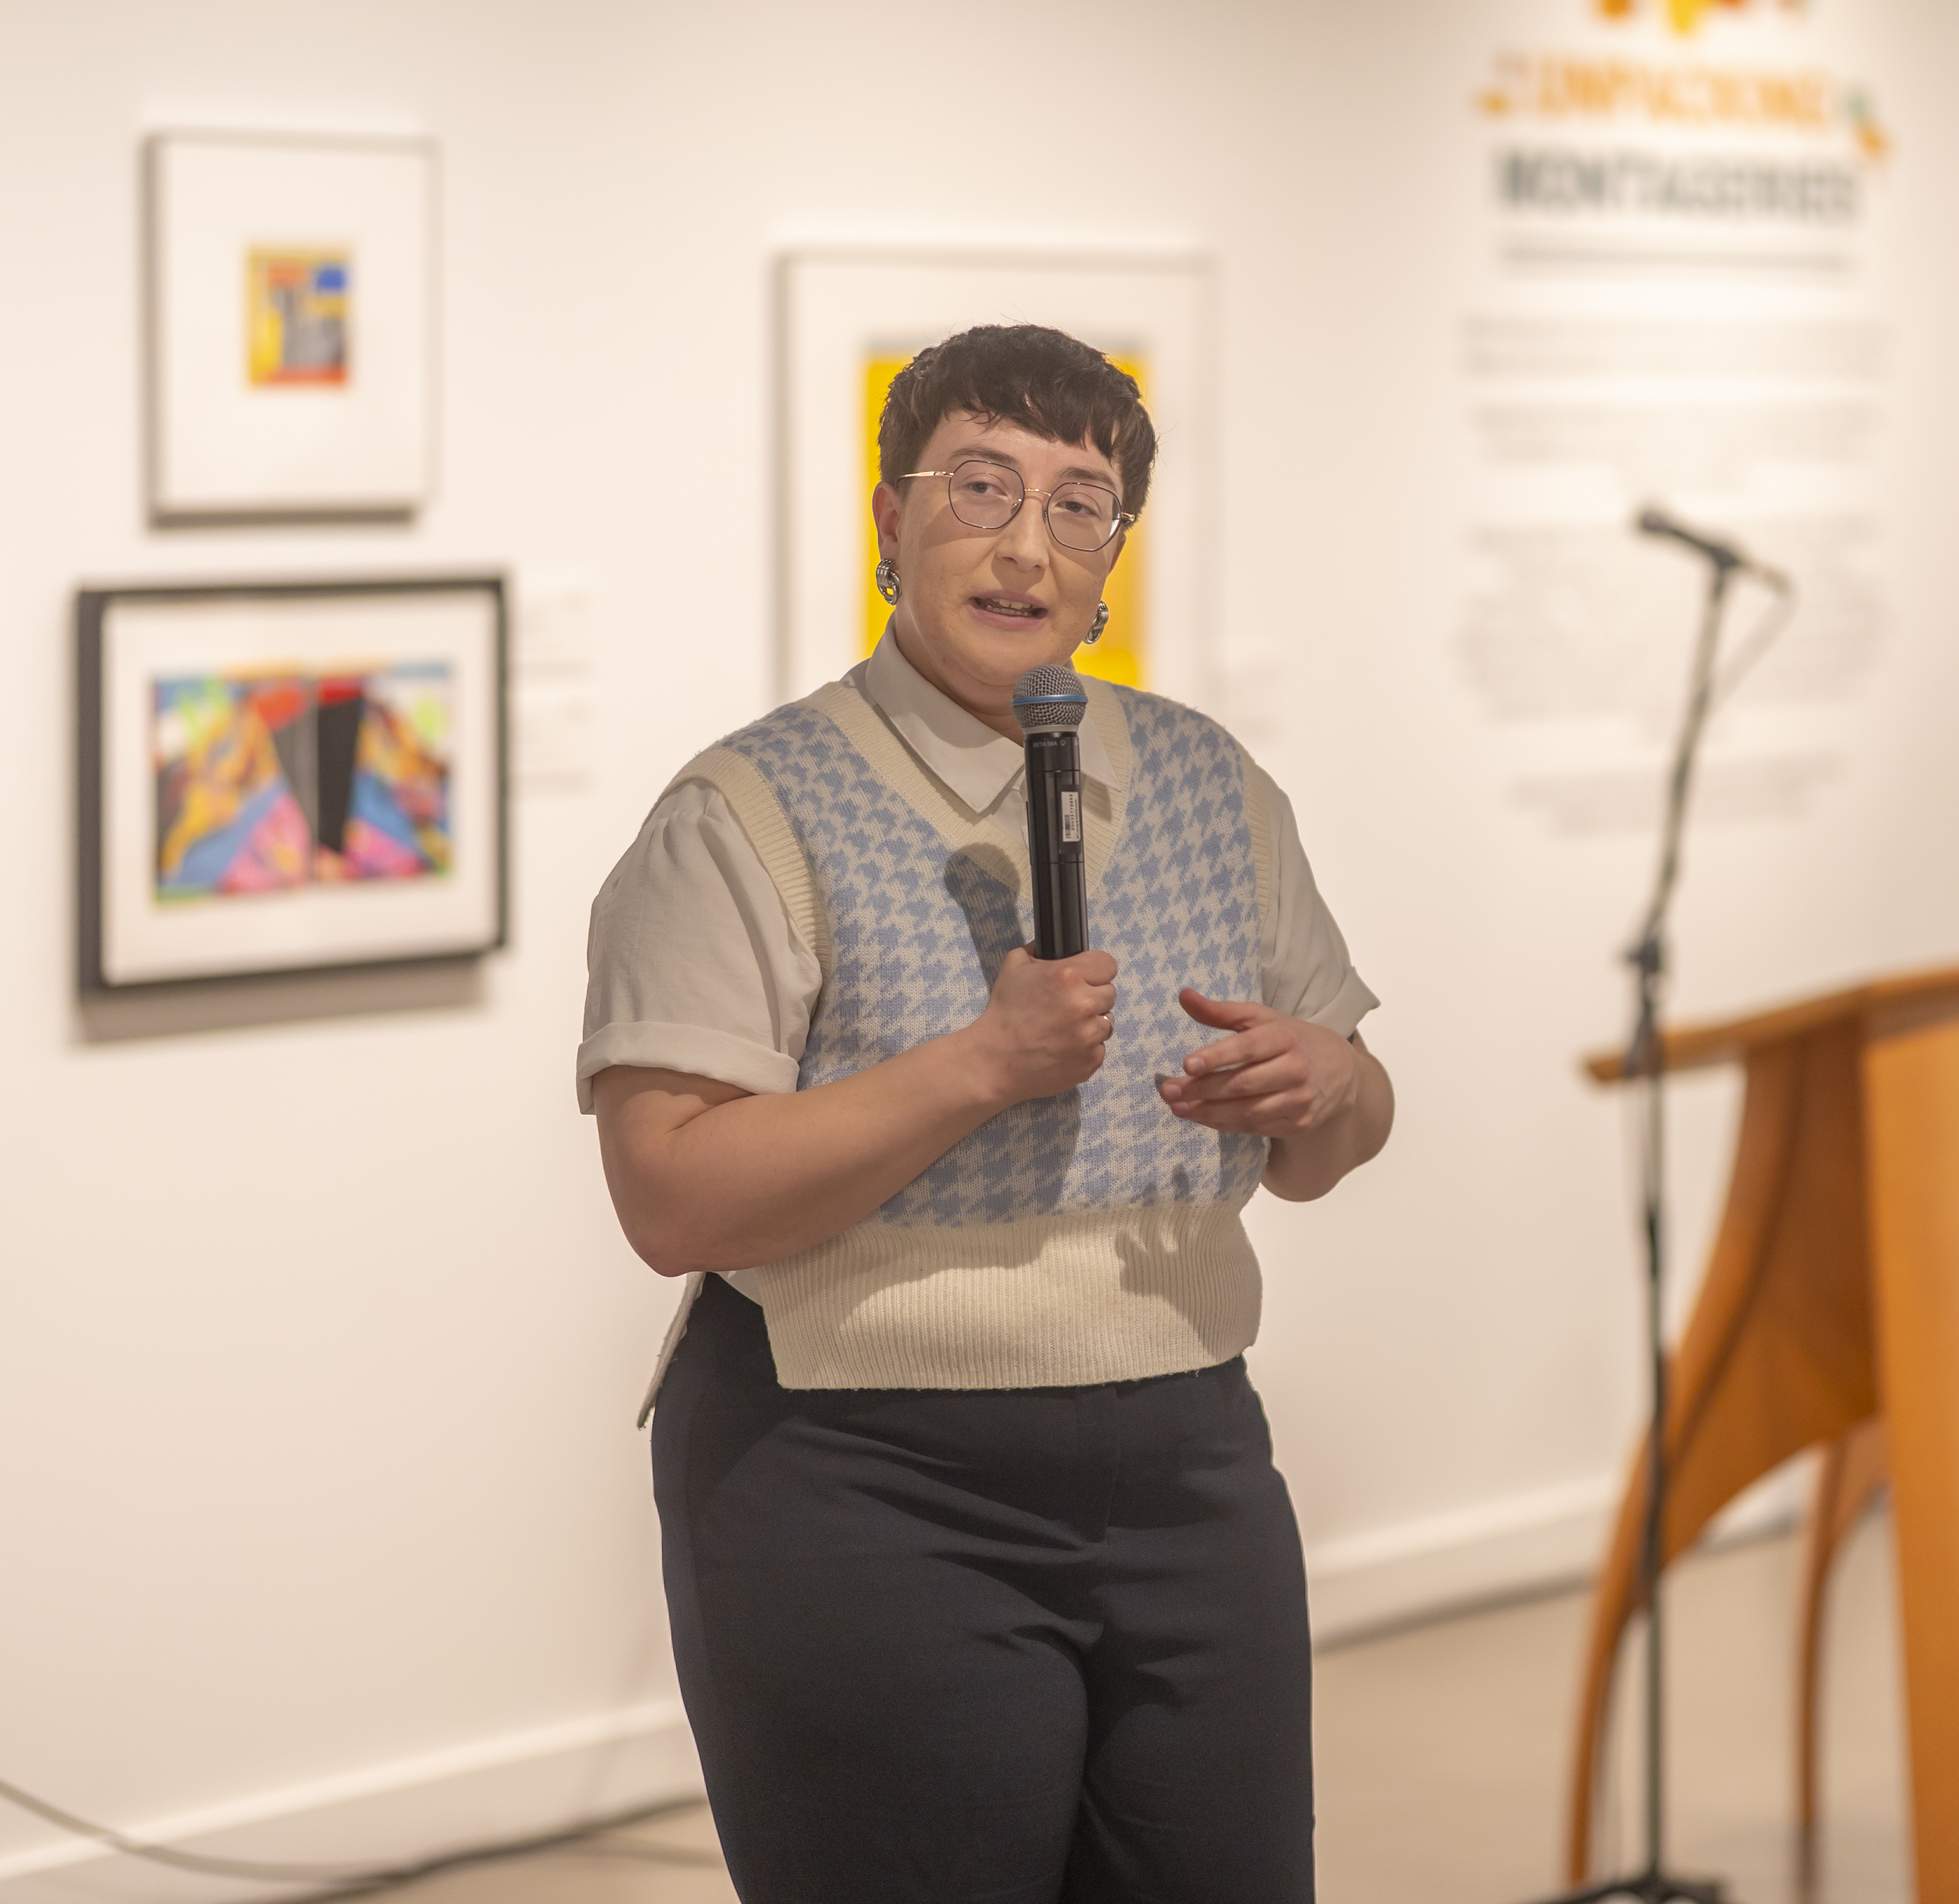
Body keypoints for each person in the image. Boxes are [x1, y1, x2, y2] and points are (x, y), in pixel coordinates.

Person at [578, 324, 1391, 1903]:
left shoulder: (1212, 780)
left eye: (1078, 505)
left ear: (1113, 557)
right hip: (858, 1475)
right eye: (980, 488)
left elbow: (1333, 1143)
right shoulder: (743, 812)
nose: (1026, 544)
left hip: (1190, 1457)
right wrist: (978, 1065)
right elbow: (670, 1194)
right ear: (889, 518)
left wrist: (1328, 1085)